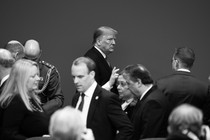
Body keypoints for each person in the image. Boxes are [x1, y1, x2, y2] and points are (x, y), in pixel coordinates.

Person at [71, 57, 133, 140]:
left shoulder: (107, 99)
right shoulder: (76, 98)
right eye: (73, 77)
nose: (76, 81)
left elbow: (126, 129)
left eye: (80, 77)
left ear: (92, 74)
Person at [156, 47, 210, 125]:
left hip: (166, 133)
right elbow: (205, 117)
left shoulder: (160, 84)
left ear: (176, 62)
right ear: (192, 64)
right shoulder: (204, 88)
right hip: (192, 133)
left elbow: (155, 114)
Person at [0, 59, 49, 140]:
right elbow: (8, 135)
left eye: (37, 74)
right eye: (33, 76)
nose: (38, 78)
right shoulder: (15, 101)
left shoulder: (32, 99)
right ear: (22, 79)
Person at [122, 64, 170, 140]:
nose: (127, 87)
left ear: (138, 82)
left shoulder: (153, 102)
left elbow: (148, 136)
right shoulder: (149, 96)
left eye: (128, 83)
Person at [24, 39, 64, 115]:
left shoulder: (48, 72)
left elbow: (58, 99)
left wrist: (40, 111)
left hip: (40, 113)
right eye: (27, 59)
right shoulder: (15, 69)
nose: (31, 62)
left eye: (34, 59)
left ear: (40, 54)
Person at [84, 26, 119, 94]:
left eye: (114, 39)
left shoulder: (100, 56)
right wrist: (110, 83)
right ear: (98, 41)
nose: (114, 43)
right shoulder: (91, 59)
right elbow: (91, 92)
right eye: (110, 39)